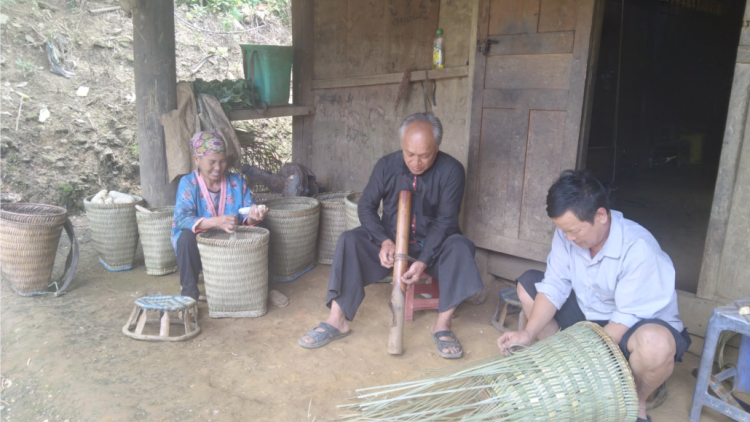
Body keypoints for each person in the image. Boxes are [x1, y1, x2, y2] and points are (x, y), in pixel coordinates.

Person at [497, 170, 691, 422]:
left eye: (574, 231)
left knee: (655, 344)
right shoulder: (568, 235)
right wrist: (528, 333)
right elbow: (555, 285)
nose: (568, 238)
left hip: (633, 326)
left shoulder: (639, 248)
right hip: (590, 315)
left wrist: (582, 354)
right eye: (562, 230)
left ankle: (635, 402)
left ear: (600, 215)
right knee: (529, 285)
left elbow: (626, 317)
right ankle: (569, 370)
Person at [298, 113, 484, 359]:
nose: (416, 162)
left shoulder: (451, 170)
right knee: (349, 240)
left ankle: (442, 324)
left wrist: (423, 260)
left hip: (433, 245)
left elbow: (446, 221)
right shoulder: (387, 165)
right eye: (410, 154)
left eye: (424, 155)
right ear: (402, 146)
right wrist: (384, 241)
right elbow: (366, 207)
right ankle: (337, 319)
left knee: (461, 246)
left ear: (437, 147)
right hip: (390, 242)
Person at [171, 131, 268, 300]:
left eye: (223, 161)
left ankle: (266, 287)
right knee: (186, 238)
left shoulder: (237, 181)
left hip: (232, 240)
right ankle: (189, 293)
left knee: (263, 228)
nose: (218, 167)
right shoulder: (188, 183)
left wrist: (255, 217)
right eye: (212, 162)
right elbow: (181, 218)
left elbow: (246, 215)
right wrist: (215, 222)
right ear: (197, 160)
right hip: (201, 245)